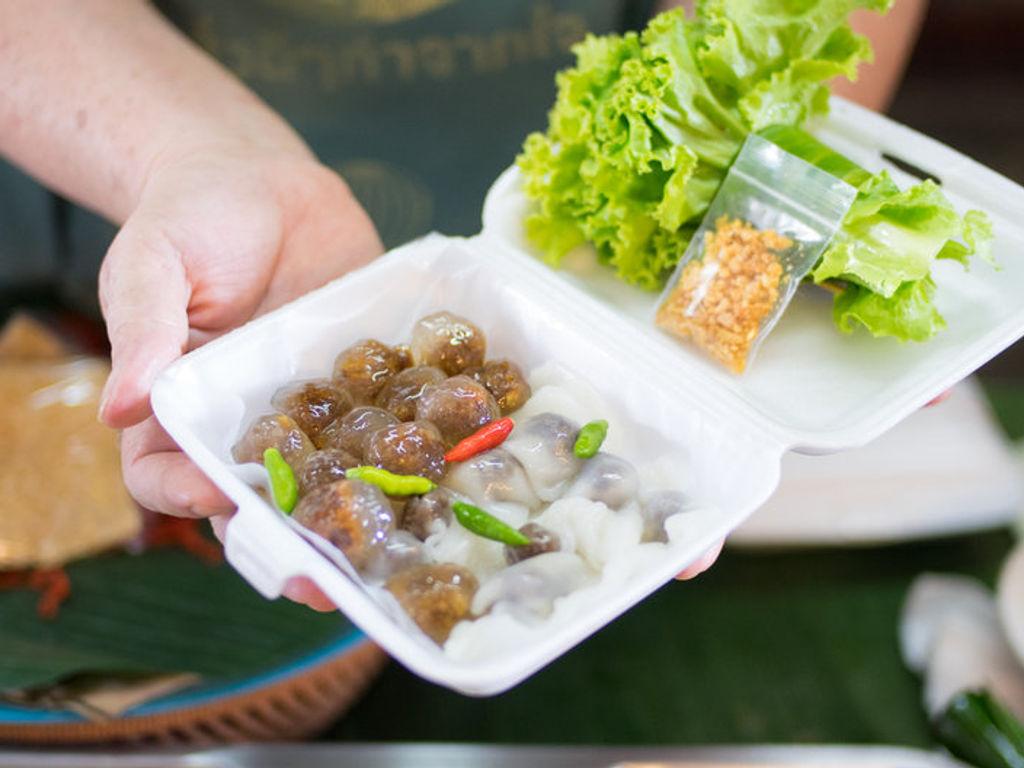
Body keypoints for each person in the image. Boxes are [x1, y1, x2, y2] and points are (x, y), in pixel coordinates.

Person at [0, 0, 927, 610]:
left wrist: (738, 264)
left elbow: (786, 34)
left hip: (585, 272)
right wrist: (192, 151)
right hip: (156, 186)